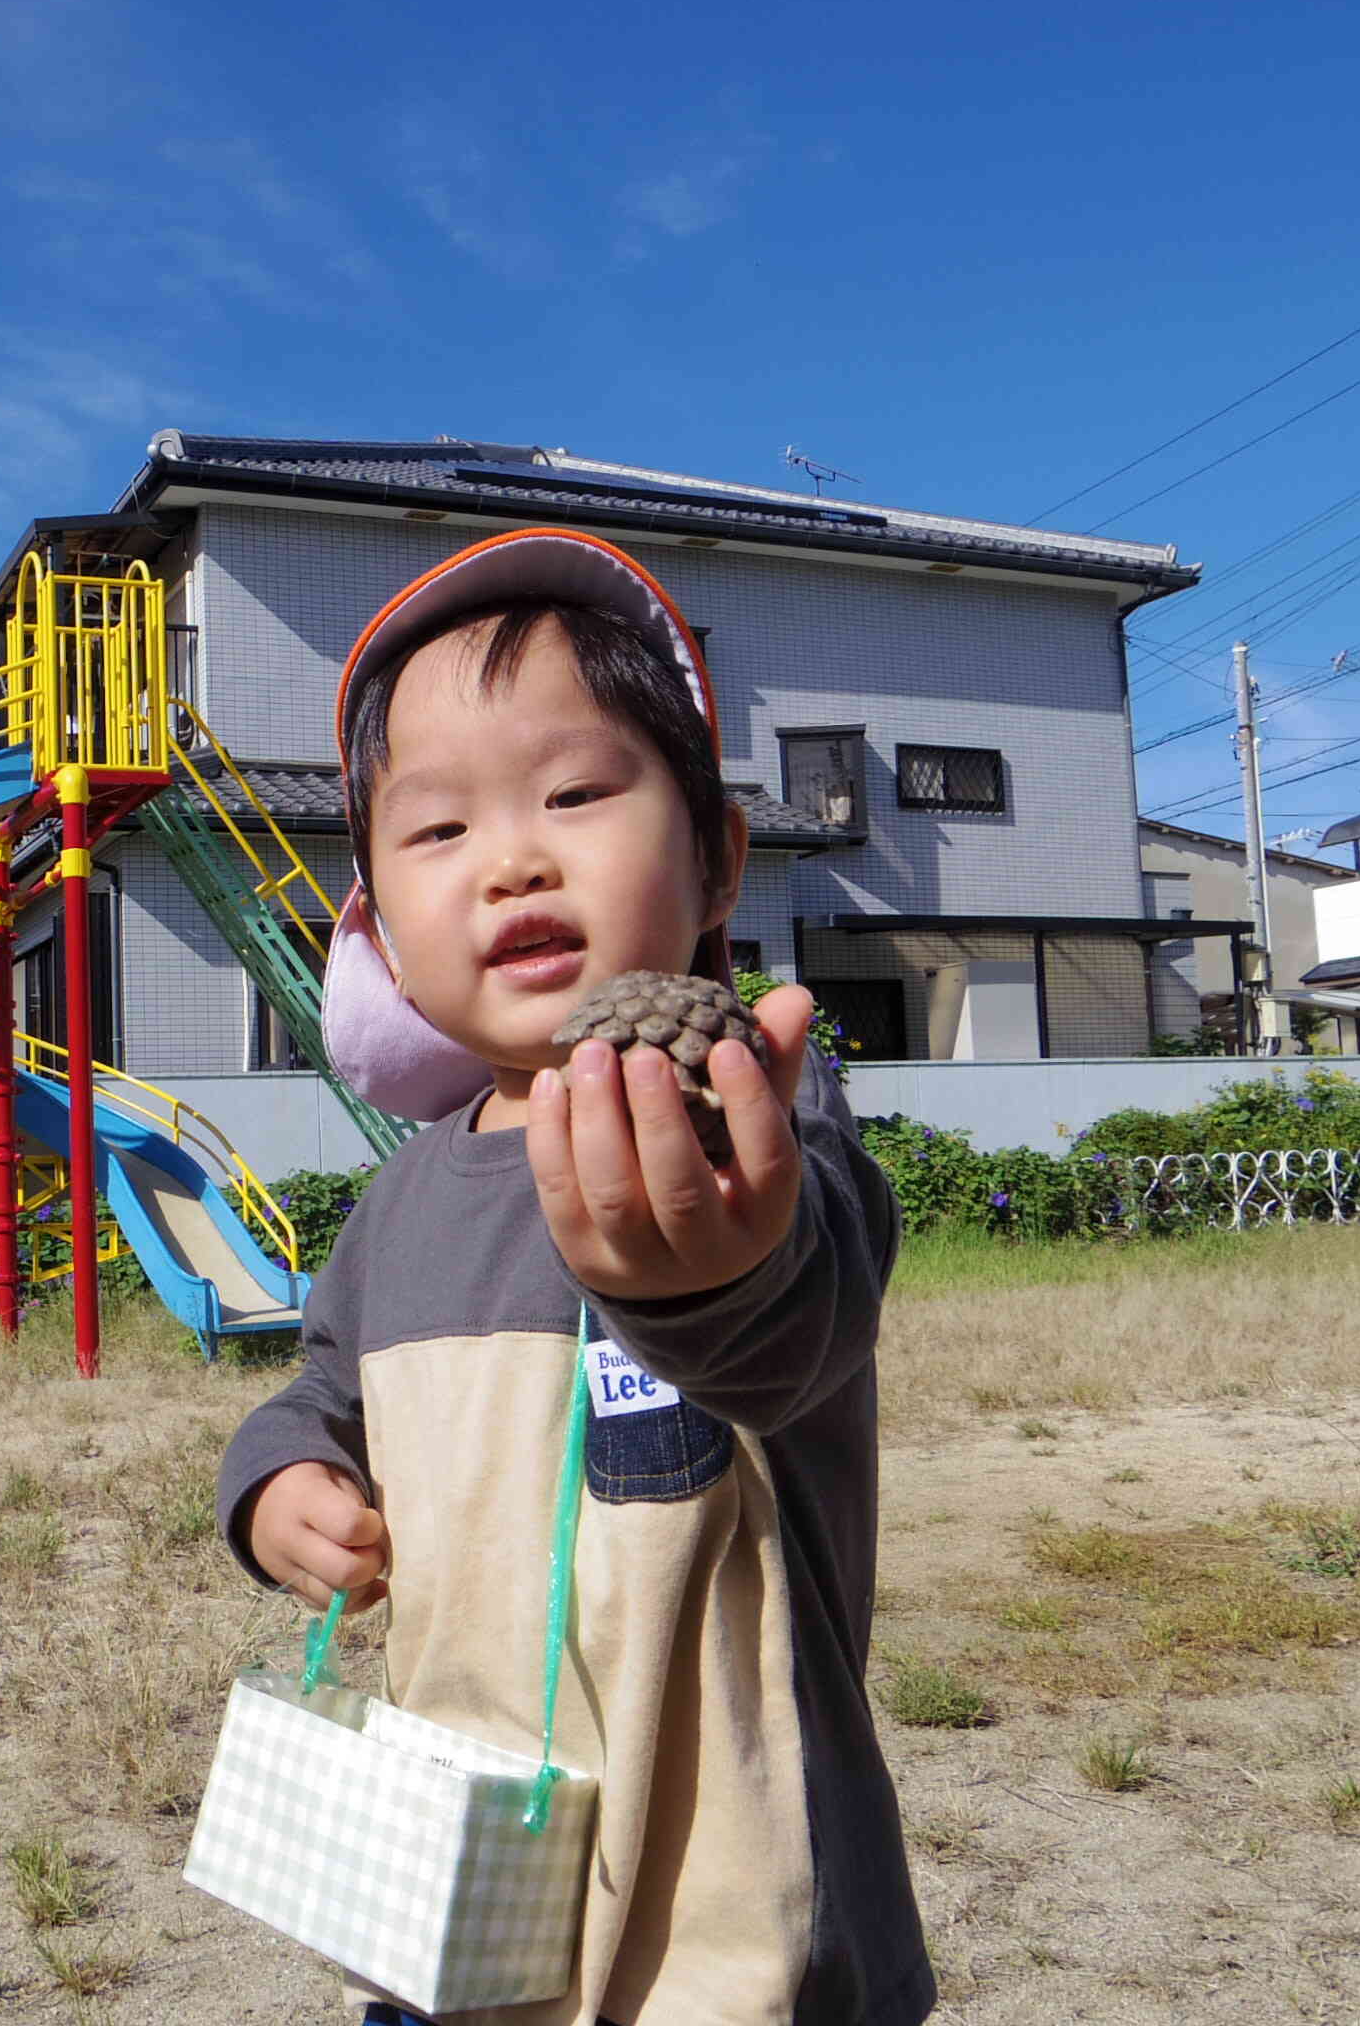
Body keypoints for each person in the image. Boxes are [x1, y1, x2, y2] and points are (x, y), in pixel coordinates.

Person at [214, 528, 931, 2026]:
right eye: (436, 832)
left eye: (578, 793)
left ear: (718, 854)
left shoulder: (754, 1122)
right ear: (381, 938)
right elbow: (323, 1392)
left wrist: (713, 1279)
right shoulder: (399, 1203)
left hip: (728, 1921)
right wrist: (279, 1483)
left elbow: (803, 1320)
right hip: (452, 1887)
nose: (514, 858)